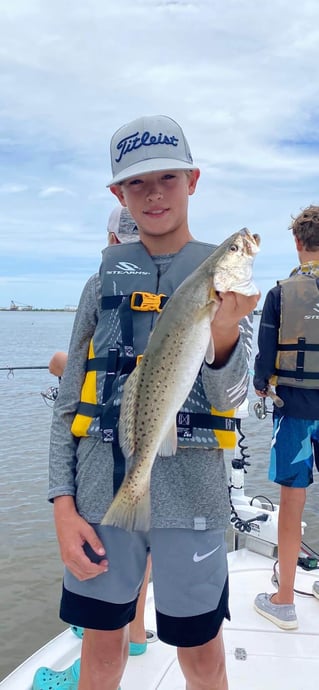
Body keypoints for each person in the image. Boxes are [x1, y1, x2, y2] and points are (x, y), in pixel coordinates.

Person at [39, 114, 259, 690]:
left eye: (168, 177)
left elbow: (234, 397)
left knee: (202, 655)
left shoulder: (227, 285)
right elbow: (68, 405)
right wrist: (63, 506)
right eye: (137, 183)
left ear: (194, 180)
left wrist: (227, 336)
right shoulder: (98, 285)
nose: (155, 193)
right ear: (118, 194)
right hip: (98, 498)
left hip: (194, 499)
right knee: (102, 653)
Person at [46, 207, 151, 656]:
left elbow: (70, 392)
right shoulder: (103, 290)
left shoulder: (100, 285)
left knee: (122, 551)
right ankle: (138, 632)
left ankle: (126, 633)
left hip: (111, 476)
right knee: (133, 548)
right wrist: (62, 503)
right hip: (120, 474)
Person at [253, 205, 319, 630]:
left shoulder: (279, 295)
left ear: (297, 243)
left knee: (292, 506)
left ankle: (284, 601)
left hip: (294, 409)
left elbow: (264, 359)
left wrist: (261, 385)